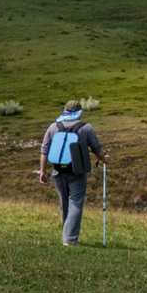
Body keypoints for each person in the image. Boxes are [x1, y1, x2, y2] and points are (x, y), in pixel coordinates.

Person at [36, 100, 106, 246]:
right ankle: (70, 239)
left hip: (58, 171)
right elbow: (97, 150)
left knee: (65, 204)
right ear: (79, 113)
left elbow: (44, 150)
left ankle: (66, 236)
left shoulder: (53, 127)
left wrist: (43, 172)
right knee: (76, 203)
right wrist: (105, 160)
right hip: (77, 172)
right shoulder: (86, 128)